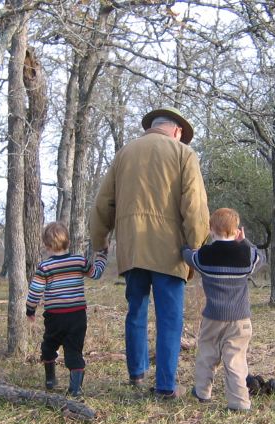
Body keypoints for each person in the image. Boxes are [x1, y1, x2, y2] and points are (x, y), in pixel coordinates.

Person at [90, 106, 210, 399]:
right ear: (178, 131)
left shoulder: (125, 153)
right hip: (170, 251)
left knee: (136, 311)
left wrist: (99, 243)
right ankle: (166, 386)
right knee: (170, 318)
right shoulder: (184, 154)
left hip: (132, 248)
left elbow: (102, 203)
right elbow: (194, 206)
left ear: (152, 127)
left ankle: (137, 373)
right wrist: (195, 248)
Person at [182, 208, 265, 411]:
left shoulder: (205, 255)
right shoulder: (246, 255)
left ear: (211, 229)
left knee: (207, 353)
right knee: (235, 360)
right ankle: (239, 402)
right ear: (236, 231)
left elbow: (189, 257)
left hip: (213, 317)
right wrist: (244, 241)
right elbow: (261, 258)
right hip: (240, 318)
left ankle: (202, 391)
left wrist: (184, 248)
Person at [26, 221, 108, 397]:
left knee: (48, 346)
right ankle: (75, 388)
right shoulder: (78, 260)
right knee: (73, 350)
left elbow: (35, 291)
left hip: (54, 318)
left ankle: (50, 379)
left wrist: (30, 311)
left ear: (46, 245)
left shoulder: (45, 267)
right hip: (77, 317)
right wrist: (102, 258)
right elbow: (96, 273)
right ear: (68, 242)